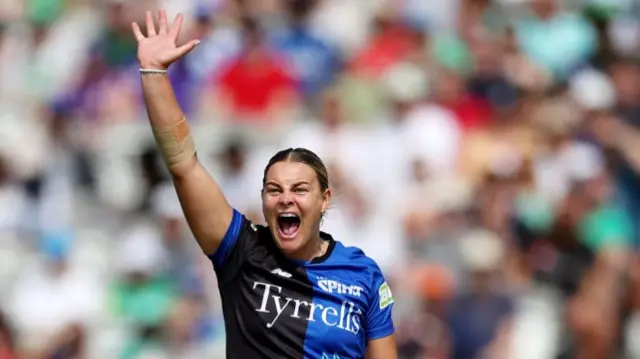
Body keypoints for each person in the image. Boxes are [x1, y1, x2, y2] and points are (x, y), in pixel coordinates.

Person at [131, 10, 398, 359]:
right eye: (274, 190)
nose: (286, 199)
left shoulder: (363, 273)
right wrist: (154, 74)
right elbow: (184, 164)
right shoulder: (240, 251)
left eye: (300, 190)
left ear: (325, 200)